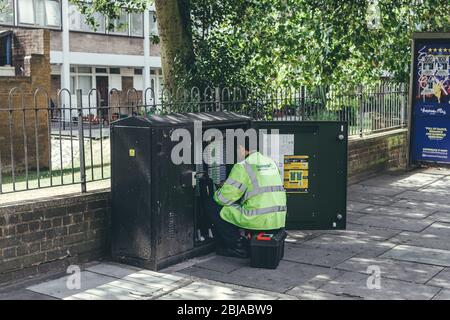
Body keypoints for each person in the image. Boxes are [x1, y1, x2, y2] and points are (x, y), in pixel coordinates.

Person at [200, 143, 287, 258]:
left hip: (259, 219)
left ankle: (238, 246)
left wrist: (220, 189)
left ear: (241, 148)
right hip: (278, 219)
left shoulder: (243, 166)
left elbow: (223, 199)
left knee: (213, 205)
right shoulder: (270, 162)